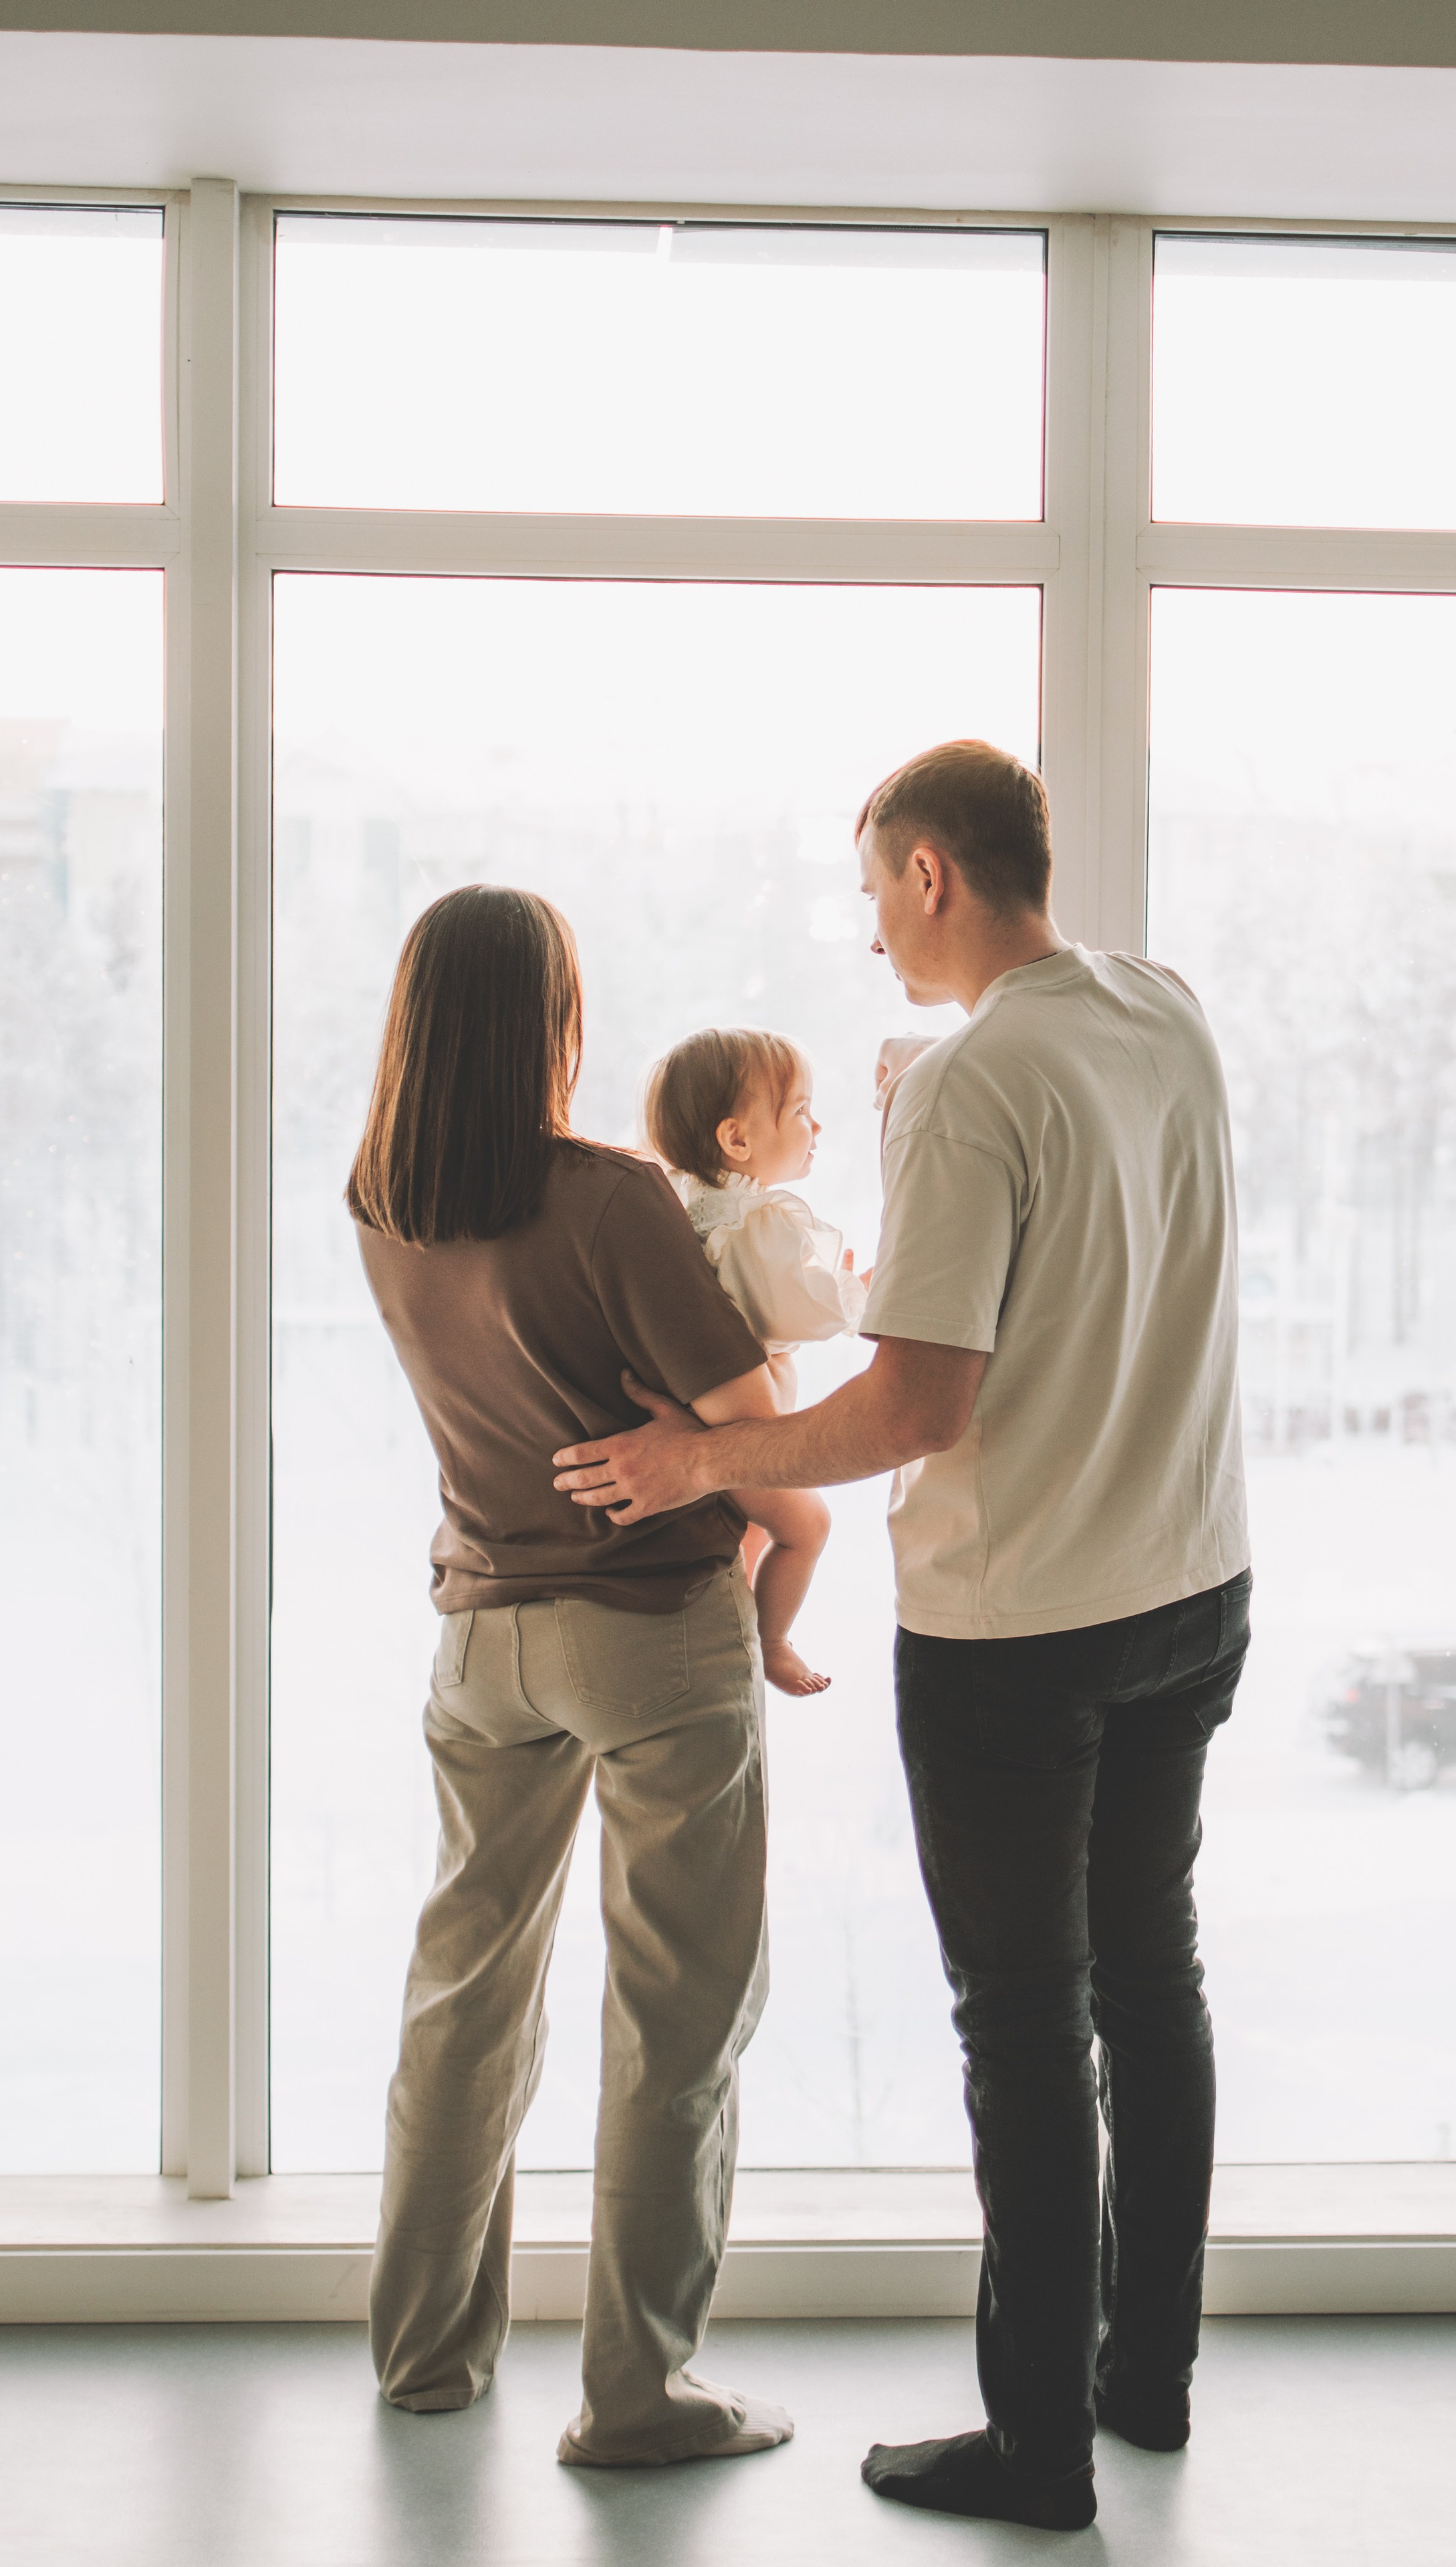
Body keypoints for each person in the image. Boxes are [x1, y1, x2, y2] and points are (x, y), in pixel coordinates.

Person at [552, 740, 1250, 2534]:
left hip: (1023, 1627)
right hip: (1191, 1582)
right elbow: (1081, 1226)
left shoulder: (962, 1087)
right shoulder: (1157, 1011)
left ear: (934, 875)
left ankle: (1036, 2455)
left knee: (1024, 2023)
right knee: (1150, 1981)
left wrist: (699, 1453)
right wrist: (924, 1114)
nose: (870, 931)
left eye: (876, 891)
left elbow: (913, 1406)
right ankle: (1143, 2377)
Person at [349, 882, 794, 2468]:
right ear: (555, 1016)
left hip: (479, 1635)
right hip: (649, 1634)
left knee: (464, 1997)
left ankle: (423, 2351)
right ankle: (638, 2397)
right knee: (674, 2013)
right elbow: (744, 1418)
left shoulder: (378, 1196)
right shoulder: (611, 1198)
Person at [643, 1025, 867, 1697]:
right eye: (799, 1110)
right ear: (736, 1139)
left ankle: (742, 1624)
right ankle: (772, 1641)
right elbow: (798, 1309)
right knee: (806, 1523)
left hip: (697, 1415)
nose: (816, 1123)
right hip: (734, 1429)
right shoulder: (750, 1221)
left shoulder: (676, 1205)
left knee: (744, 1533)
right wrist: (858, 1290)